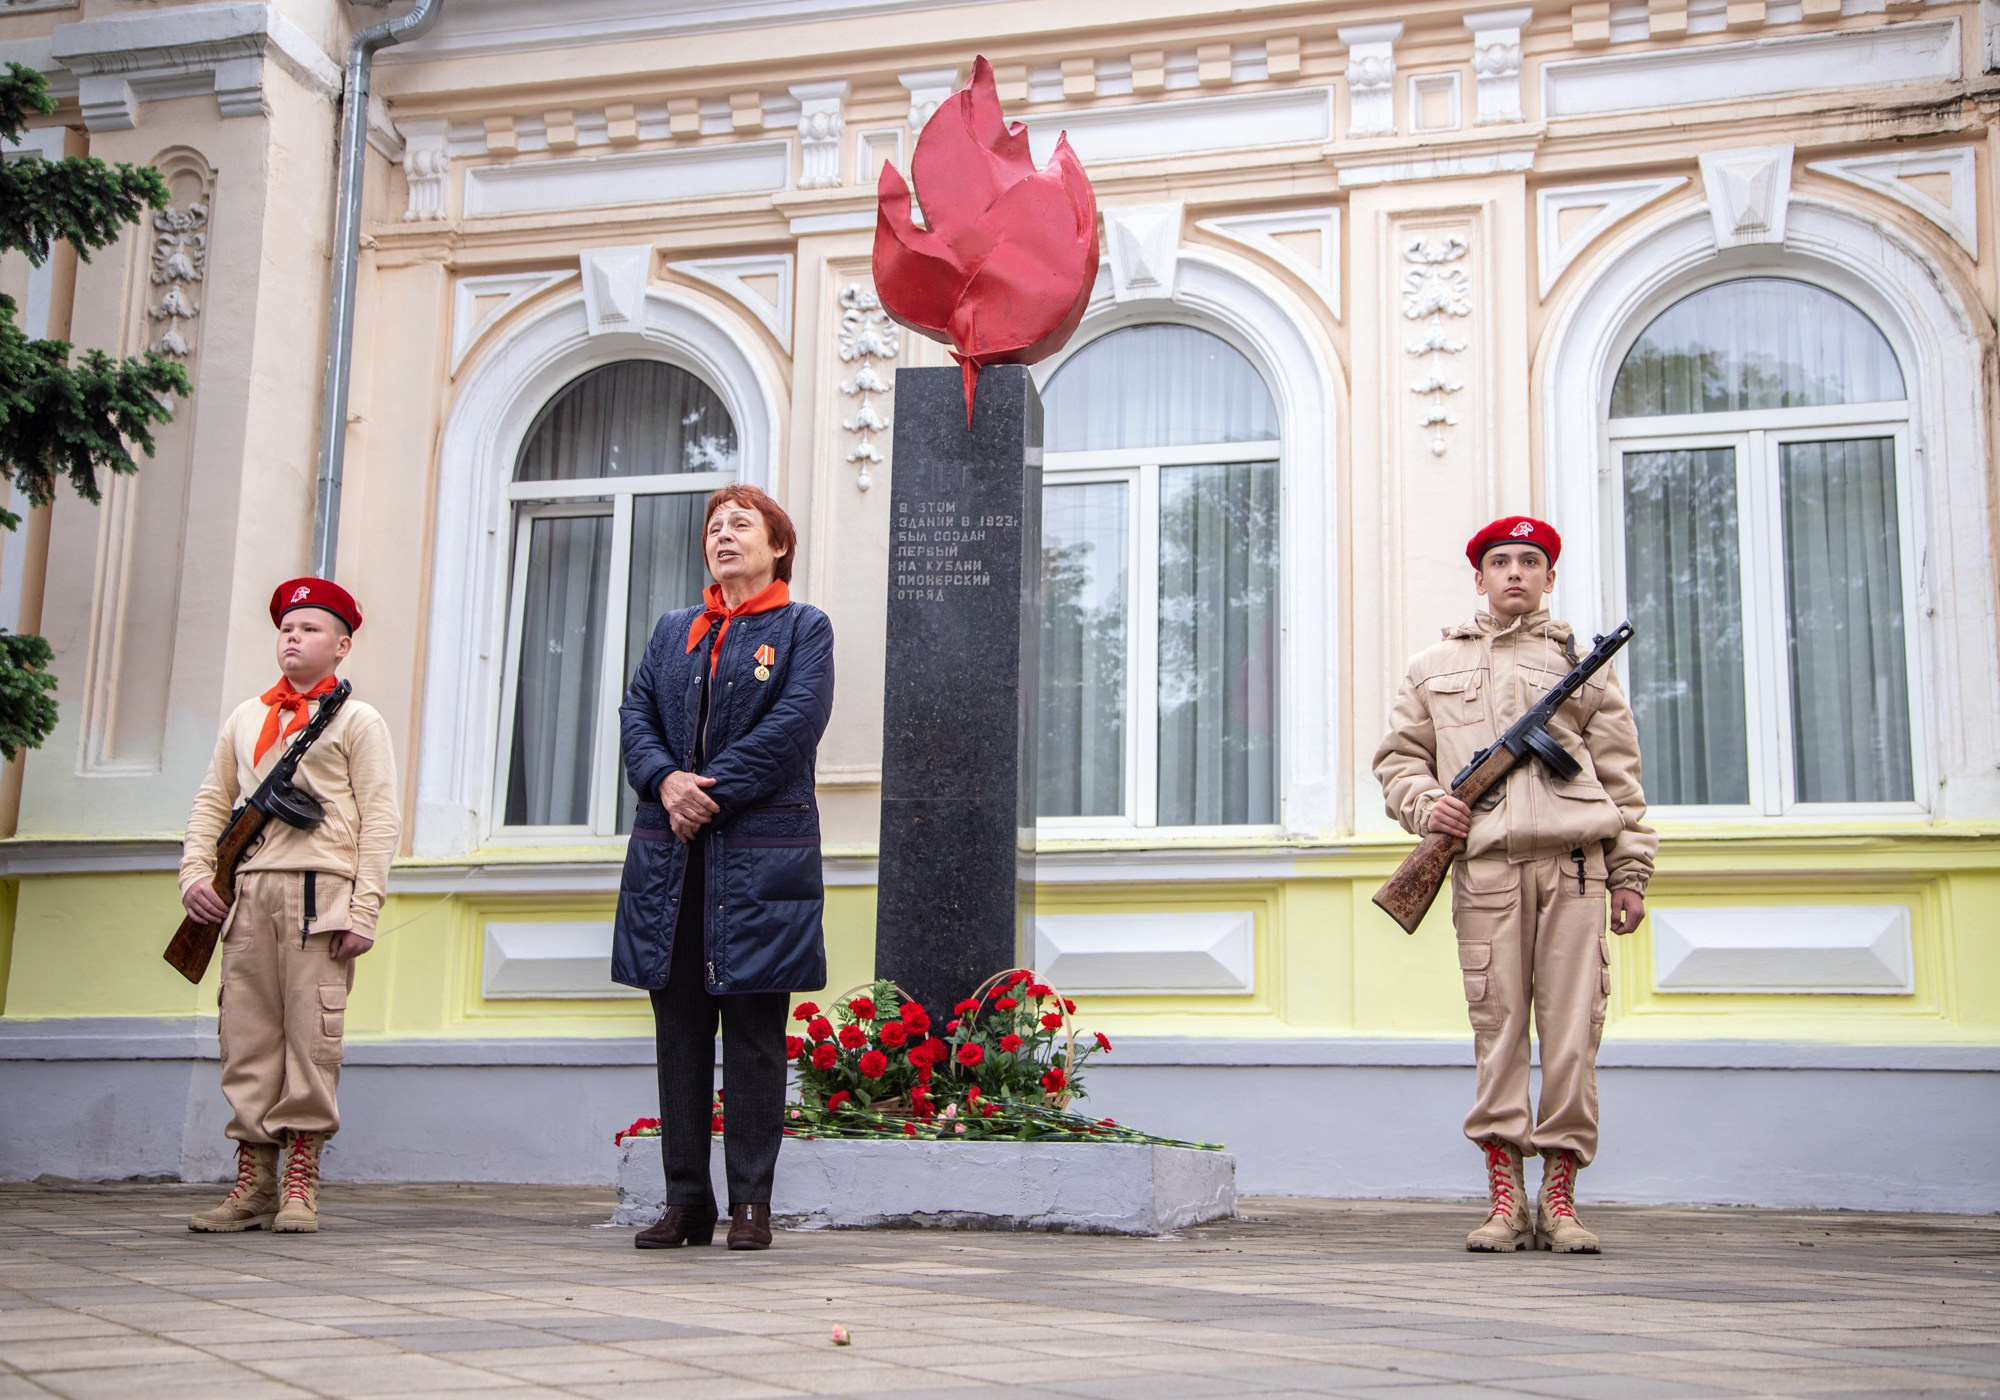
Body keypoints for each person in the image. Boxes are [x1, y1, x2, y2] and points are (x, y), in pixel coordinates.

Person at [1372, 518, 1655, 1254]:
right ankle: (1506, 1200)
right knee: (1497, 1032)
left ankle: (1559, 1201)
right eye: (1501, 562)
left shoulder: (1585, 665)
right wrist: (1426, 804)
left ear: (1549, 577)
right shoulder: (1431, 665)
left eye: (1532, 562)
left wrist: (1631, 872)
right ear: (1479, 577)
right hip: (1487, 872)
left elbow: (1621, 778)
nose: (1516, 574)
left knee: (1571, 1037)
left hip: (1576, 869)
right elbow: (1399, 759)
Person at [613, 485, 835, 1251]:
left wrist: (706, 792)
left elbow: (794, 724)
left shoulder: (804, 628)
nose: (724, 535)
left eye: (743, 524)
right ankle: (685, 1203)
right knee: (677, 1033)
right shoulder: (674, 630)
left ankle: (751, 1204)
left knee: (751, 1034)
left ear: (779, 545)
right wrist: (664, 782)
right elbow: (635, 713)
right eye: (715, 526)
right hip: (670, 861)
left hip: (757, 866)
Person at [181, 578, 400, 1234]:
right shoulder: (247, 717)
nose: (292, 638)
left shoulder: (358, 720)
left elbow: (380, 817)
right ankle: (253, 1183)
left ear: (342, 645)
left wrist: (364, 908)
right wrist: (196, 873)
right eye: (285, 628)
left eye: (307, 629)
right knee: (245, 1035)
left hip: (319, 895)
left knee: (312, 1036)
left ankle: (300, 1182)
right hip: (247, 894)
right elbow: (212, 802)